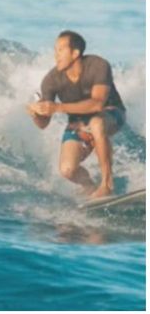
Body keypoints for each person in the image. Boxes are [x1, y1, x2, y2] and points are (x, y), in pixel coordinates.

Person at [27, 30, 127, 199]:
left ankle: (107, 184)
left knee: (96, 123)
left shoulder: (98, 65)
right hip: (79, 121)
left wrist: (58, 107)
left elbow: (97, 103)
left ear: (75, 53)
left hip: (111, 113)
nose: (55, 55)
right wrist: (36, 114)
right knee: (67, 170)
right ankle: (90, 187)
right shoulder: (51, 80)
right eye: (54, 50)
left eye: (60, 50)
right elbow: (44, 124)